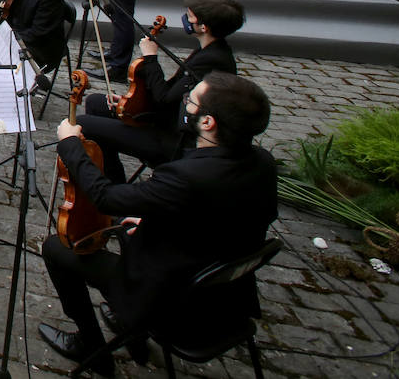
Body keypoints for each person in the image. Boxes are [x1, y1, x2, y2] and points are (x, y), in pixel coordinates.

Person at [38, 73, 277, 376]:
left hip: (175, 304)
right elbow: (222, 216)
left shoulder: (185, 176)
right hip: (229, 298)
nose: (186, 106)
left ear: (208, 123)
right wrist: (157, 219)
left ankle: (92, 346)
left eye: (192, 102)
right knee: (126, 226)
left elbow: (104, 196)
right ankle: (128, 332)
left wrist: (71, 144)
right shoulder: (263, 163)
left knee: (57, 248)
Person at [79, 0, 243, 183]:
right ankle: (112, 175)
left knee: (86, 124)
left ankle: (113, 188)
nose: (186, 19)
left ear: (203, 27)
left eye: (190, 16)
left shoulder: (212, 61)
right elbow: (171, 93)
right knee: (96, 103)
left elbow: (163, 98)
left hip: (172, 138)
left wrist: (150, 58)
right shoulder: (209, 50)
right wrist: (131, 102)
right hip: (163, 118)